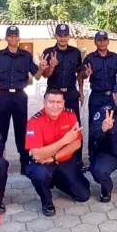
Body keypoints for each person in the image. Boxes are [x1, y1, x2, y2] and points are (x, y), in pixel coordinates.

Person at [0, 25, 45, 175]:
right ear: (6, 38)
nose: (13, 38)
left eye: (15, 36)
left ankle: (24, 164)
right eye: (10, 36)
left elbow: (37, 75)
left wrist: (42, 68)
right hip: (2, 96)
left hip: (19, 97)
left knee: (21, 131)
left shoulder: (26, 56)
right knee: (0, 132)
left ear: (19, 38)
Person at [25, 89, 91, 217]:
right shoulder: (34, 122)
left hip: (63, 160)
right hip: (43, 163)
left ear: (63, 103)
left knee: (83, 195)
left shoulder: (70, 115)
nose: (55, 106)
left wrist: (53, 157)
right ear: (44, 102)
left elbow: (76, 144)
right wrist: (64, 141)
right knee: (40, 174)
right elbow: (37, 155)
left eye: (59, 102)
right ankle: (47, 202)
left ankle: (56, 180)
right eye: (51, 102)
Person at [41, 24, 84, 167]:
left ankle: (77, 160)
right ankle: (52, 157)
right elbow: (45, 75)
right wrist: (51, 66)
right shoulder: (48, 52)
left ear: (69, 36)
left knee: (75, 125)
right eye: (60, 35)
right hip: (54, 93)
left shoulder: (75, 52)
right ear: (55, 36)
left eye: (65, 35)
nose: (63, 38)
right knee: (51, 126)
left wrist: (81, 92)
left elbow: (79, 73)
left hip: (71, 93)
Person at [79, 30, 117, 161]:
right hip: (97, 97)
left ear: (108, 41)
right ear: (95, 42)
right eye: (99, 40)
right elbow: (82, 75)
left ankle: (111, 152)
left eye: (104, 39)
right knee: (95, 124)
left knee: (113, 124)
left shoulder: (115, 58)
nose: (102, 42)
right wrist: (86, 74)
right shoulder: (90, 58)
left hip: (112, 97)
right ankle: (93, 154)